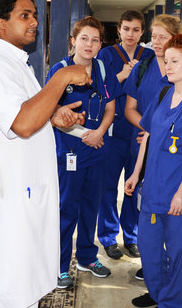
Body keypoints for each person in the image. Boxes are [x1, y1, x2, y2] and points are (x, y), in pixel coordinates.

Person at [0, 0, 90, 307]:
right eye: (25, 15)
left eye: (35, 15)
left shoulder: (13, 62)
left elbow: (24, 113)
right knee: (8, 292)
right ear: (0, 22)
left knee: (23, 289)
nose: (34, 21)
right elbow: (21, 123)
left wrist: (52, 116)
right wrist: (61, 77)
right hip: (9, 205)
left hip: (22, 198)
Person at [125, 34, 182, 308]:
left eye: (175, 61)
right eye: (166, 61)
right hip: (153, 189)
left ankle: (171, 302)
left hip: (180, 195)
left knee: (178, 254)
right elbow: (148, 135)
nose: (168, 66)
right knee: (149, 250)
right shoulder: (164, 95)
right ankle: (158, 292)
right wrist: (135, 174)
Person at [48, 16, 122, 289]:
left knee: (92, 206)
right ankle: (60, 264)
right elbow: (49, 110)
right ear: (73, 41)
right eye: (84, 38)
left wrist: (100, 131)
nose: (89, 45)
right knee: (67, 209)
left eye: (95, 40)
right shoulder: (60, 70)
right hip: (69, 150)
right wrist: (82, 135)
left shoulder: (103, 70)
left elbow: (111, 107)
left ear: (101, 44)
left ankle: (87, 257)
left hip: (98, 148)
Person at [124, 14, 182, 282]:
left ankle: (169, 266)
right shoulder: (142, 68)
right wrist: (148, 131)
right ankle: (151, 261)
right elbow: (130, 109)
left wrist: (156, 134)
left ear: (175, 39)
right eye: (154, 36)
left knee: (170, 210)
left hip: (172, 154)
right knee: (145, 207)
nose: (156, 42)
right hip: (143, 148)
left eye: (163, 37)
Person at [97, 10, 155, 261]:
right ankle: (109, 237)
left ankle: (131, 236)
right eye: (126, 29)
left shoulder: (151, 56)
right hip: (113, 131)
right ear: (118, 30)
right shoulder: (106, 55)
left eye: (135, 30)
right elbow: (100, 88)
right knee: (108, 187)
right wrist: (122, 74)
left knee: (135, 186)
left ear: (143, 32)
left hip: (140, 132)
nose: (130, 34)